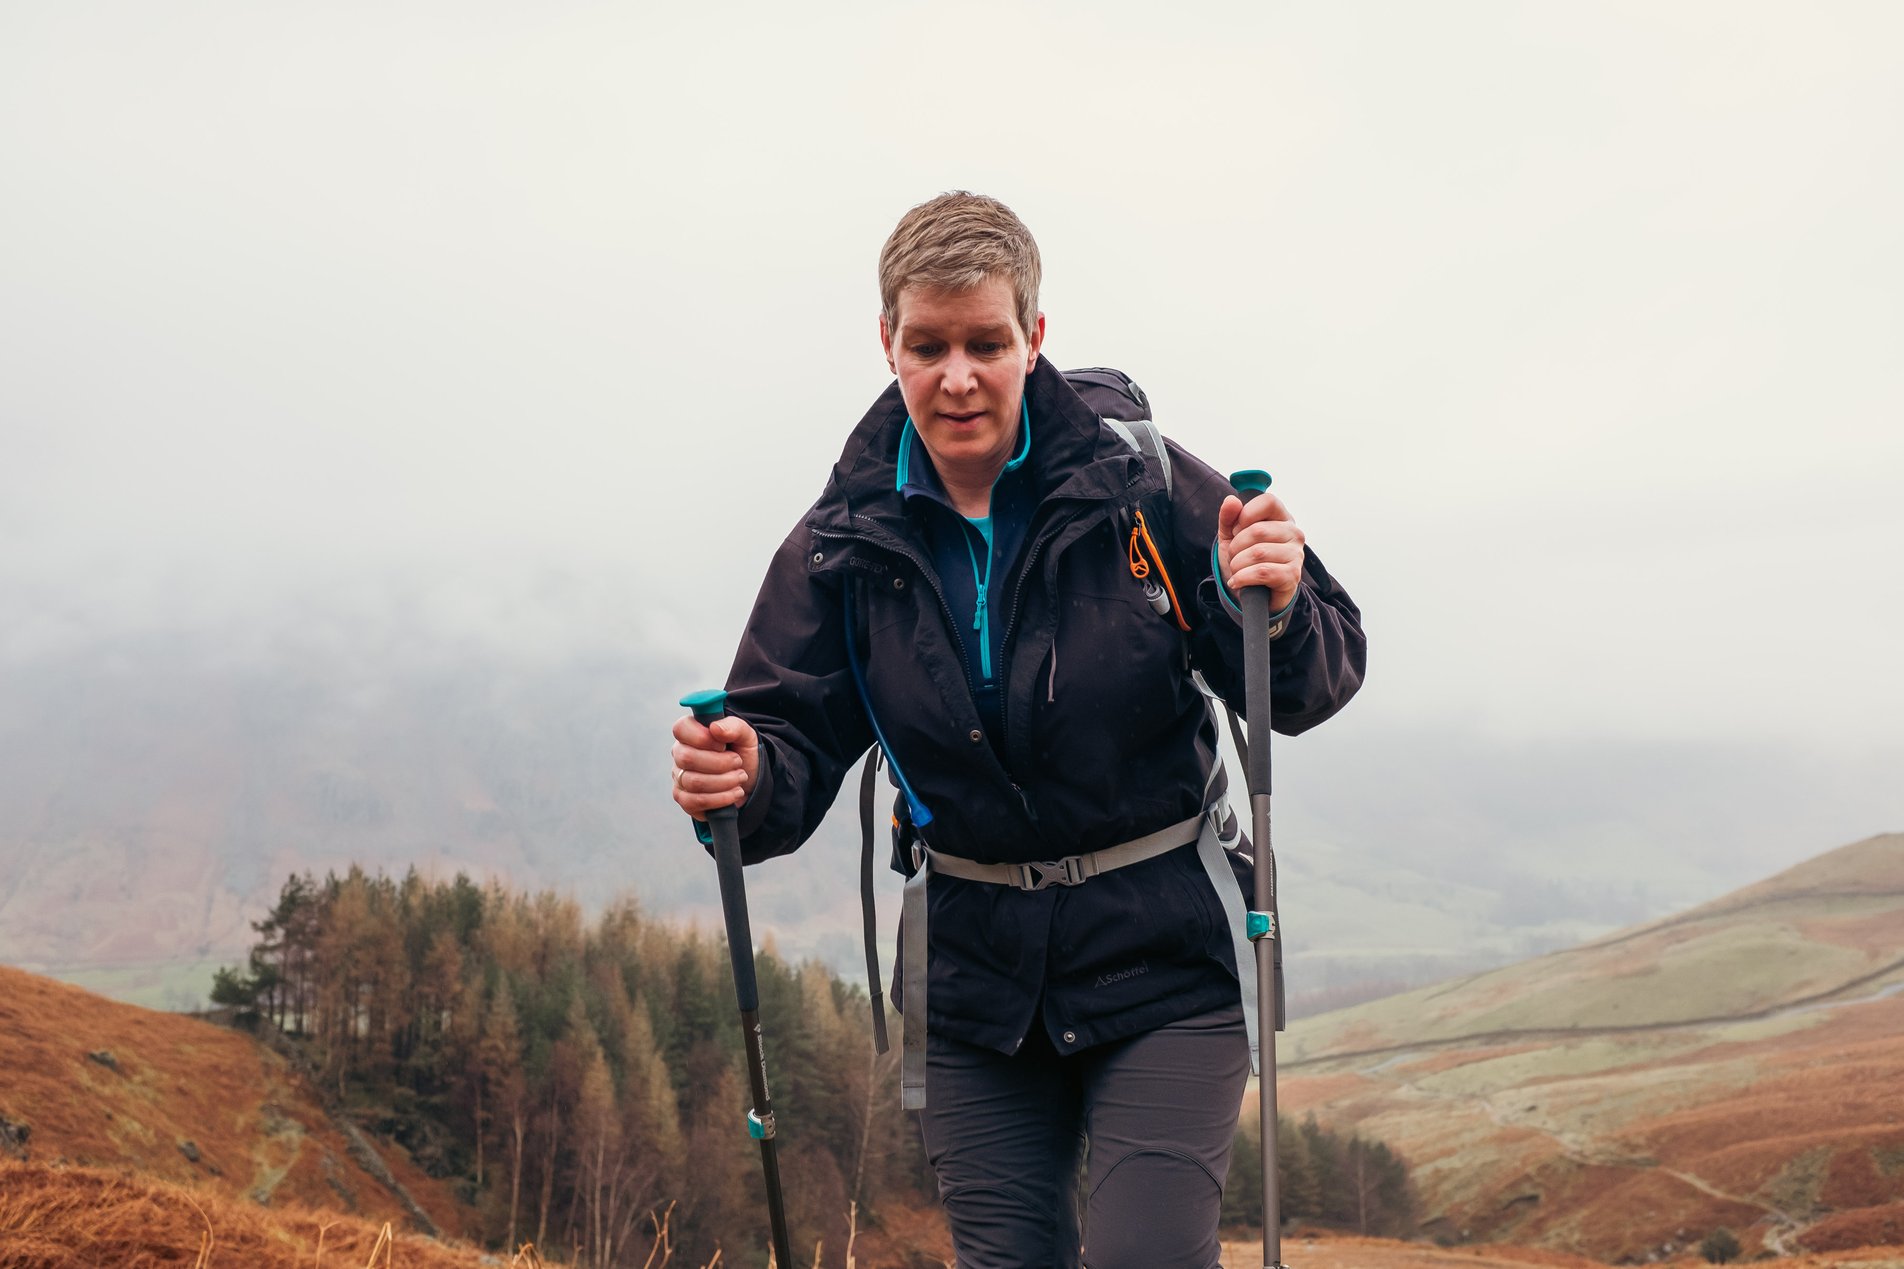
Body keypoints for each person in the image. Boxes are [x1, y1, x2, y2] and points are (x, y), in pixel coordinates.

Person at [670, 192, 1365, 1269]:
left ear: (1034, 338)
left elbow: (1310, 684)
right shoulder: (843, 539)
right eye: (927, 345)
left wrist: (1261, 600)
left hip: (1166, 958)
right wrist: (745, 773)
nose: (957, 377)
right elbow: (782, 744)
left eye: (985, 343)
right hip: (973, 987)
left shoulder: (1140, 486)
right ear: (886, 343)